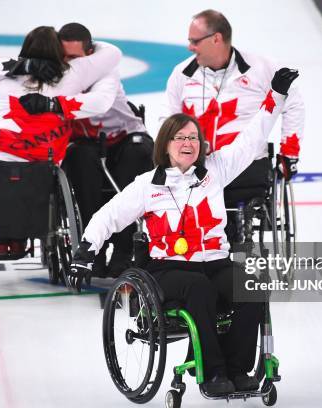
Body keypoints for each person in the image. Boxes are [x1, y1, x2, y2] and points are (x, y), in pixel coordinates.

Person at [70, 68, 299, 396]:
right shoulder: (147, 186)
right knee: (198, 287)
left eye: (193, 137)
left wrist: (275, 95)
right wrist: (84, 253)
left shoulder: (216, 170)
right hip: (169, 270)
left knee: (252, 285)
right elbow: (108, 217)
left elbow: (252, 138)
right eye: (180, 138)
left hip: (215, 262)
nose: (188, 143)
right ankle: (213, 374)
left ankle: (238, 369)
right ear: (165, 146)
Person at [161, 9, 305, 240]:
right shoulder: (181, 74)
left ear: (216, 39)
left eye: (194, 41)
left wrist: (290, 152)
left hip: (245, 162)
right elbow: (166, 120)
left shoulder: (262, 68)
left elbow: (294, 104)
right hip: (198, 163)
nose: (189, 47)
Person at [0, 26, 122, 255]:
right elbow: (113, 53)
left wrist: (23, 66)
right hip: (44, 158)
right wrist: (56, 104)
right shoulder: (73, 73)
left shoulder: (7, 79)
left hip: (1, 155)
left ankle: (0, 235)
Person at [56, 23, 154, 278]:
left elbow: (97, 104)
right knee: (79, 157)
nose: (69, 64)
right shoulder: (56, 73)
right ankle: (92, 250)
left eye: (75, 58)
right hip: (87, 143)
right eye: (64, 58)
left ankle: (124, 250)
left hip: (125, 137)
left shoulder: (105, 72)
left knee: (137, 157)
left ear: (90, 54)